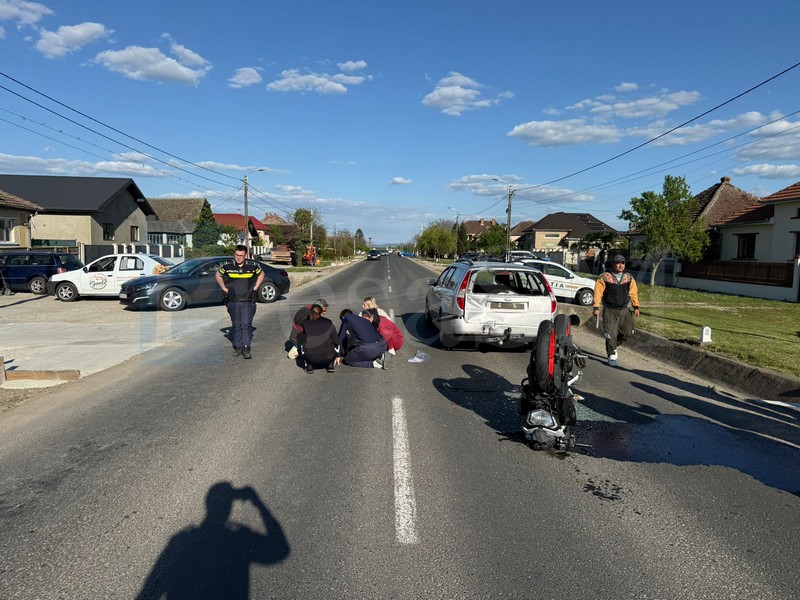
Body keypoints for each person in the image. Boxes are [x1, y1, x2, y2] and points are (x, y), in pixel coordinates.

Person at [215, 245, 264, 359]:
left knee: (246, 325)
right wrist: (224, 288)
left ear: (245, 255)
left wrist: (256, 287)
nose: (238, 257)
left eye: (241, 255)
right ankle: (238, 347)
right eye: (237, 255)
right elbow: (218, 275)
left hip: (248, 301)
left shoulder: (253, 266)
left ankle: (246, 348)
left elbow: (261, 274)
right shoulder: (227, 266)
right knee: (236, 325)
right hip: (233, 301)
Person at [592, 254, 640, 366]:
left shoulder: (629, 278)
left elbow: (633, 293)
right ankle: (611, 354)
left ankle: (613, 345)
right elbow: (598, 293)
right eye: (618, 263)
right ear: (613, 264)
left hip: (624, 310)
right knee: (610, 334)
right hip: (610, 310)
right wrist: (596, 307)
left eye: (622, 263)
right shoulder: (604, 277)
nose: (620, 265)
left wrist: (636, 306)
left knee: (628, 332)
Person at [298, 304, 339, 373]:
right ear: (322, 312)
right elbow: (336, 339)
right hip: (329, 355)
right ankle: (330, 365)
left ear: (310, 312)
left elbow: (301, 341)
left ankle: (309, 365)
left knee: (301, 341)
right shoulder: (328, 322)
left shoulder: (305, 323)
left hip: (311, 357)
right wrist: (338, 355)